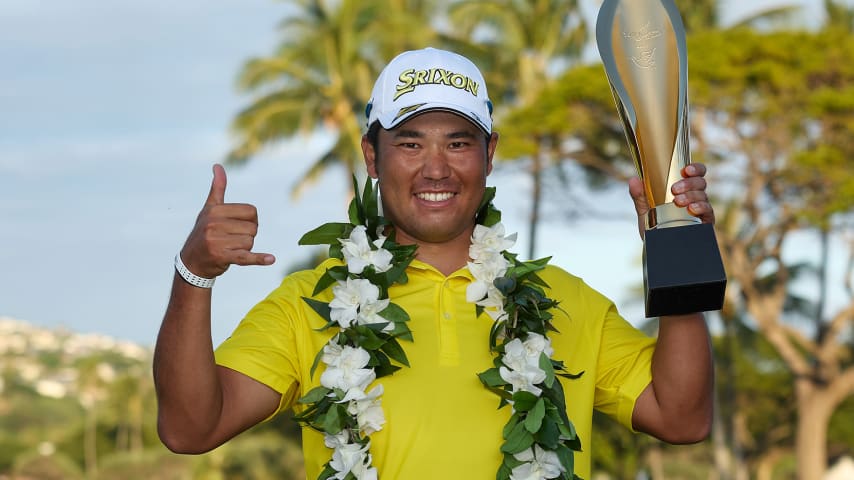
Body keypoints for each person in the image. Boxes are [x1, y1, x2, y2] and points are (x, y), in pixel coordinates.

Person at [153, 47, 714, 479]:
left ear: (489, 154)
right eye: (411, 144)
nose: (436, 169)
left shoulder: (563, 299)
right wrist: (194, 273)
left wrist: (678, 248)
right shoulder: (312, 305)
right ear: (372, 157)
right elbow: (189, 428)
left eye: (458, 143)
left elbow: (682, 418)